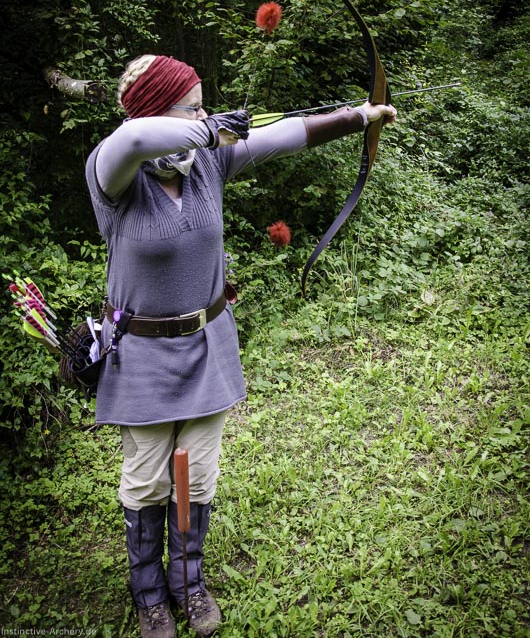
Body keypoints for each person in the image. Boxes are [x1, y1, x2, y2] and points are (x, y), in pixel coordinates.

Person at [85, 54, 397, 638]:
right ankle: (149, 594)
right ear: (159, 111)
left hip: (207, 342)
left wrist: (361, 116)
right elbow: (135, 137)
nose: (206, 114)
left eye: (205, 105)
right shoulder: (115, 173)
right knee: (148, 479)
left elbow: (284, 135)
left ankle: (188, 583)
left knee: (197, 475)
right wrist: (206, 127)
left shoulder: (206, 163)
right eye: (193, 105)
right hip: (143, 353)